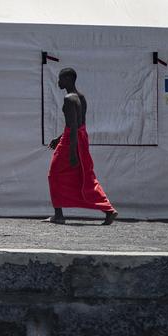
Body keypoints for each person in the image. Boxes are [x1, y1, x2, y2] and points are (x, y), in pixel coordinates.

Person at [47, 68, 118, 225]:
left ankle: (58, 215)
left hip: (71, 141)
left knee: (54, 174)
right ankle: (108, 209)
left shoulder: (69, 98)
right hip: (80, 138)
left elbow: (73, 127)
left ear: (68, 79)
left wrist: (72, 152)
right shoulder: (81, 97)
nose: (58, 82)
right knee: (85, 175)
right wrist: (59, 138)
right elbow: (78, 124)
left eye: (61, 79)